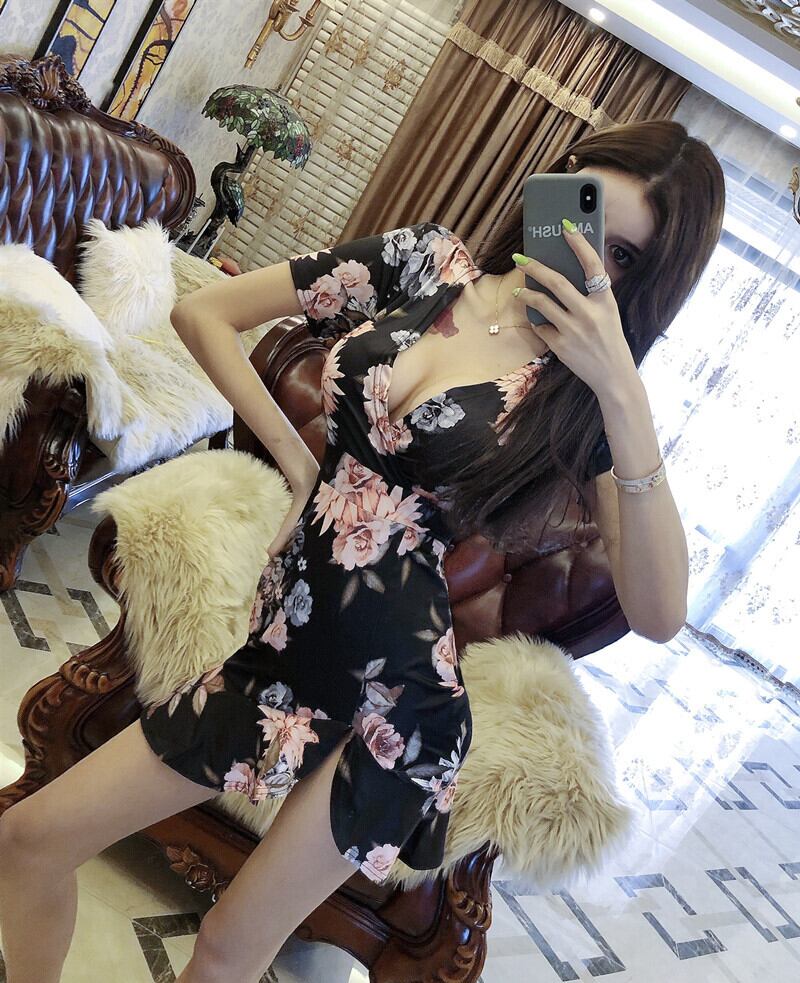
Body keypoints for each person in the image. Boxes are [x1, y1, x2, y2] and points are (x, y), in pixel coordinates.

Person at [0, 118, 724, 983]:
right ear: (558, 183)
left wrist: (623, 390)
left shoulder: (582, 400)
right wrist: (302, 465)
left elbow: (660, 613)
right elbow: (204, 313)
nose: (588, 258)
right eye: (587, 213)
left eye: (624, 257)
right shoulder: (428, 263)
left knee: (228, 948)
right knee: (27, 839)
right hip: (280, 658)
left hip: (401, 715)